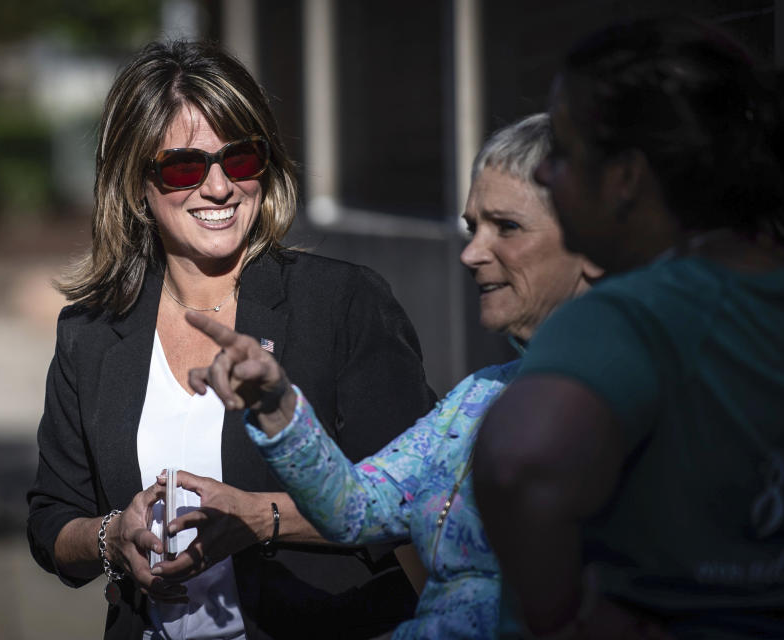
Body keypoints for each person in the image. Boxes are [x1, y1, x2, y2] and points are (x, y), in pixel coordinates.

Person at [26, 40, 438, 640]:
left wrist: (261, 519)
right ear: (137, 185)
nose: (219, 187)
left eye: (240, 159)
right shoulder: (90, 333)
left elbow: (417, 500)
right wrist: (112, 536)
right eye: (185, 167)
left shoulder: (344, 305)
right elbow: (51, 523)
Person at [176, 114, 603, 639]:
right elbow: (357, 508)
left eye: (506, 227)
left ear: (595, 244)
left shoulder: (654, 406)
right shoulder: (480, 398)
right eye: (473, 228)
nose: (470, 253)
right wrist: (276, 405)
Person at [474, 17, 784, 640]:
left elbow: (518, 463)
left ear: (626, 178)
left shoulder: (630, 316)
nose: (549, 175)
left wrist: (567, 618)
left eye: (563, 151)